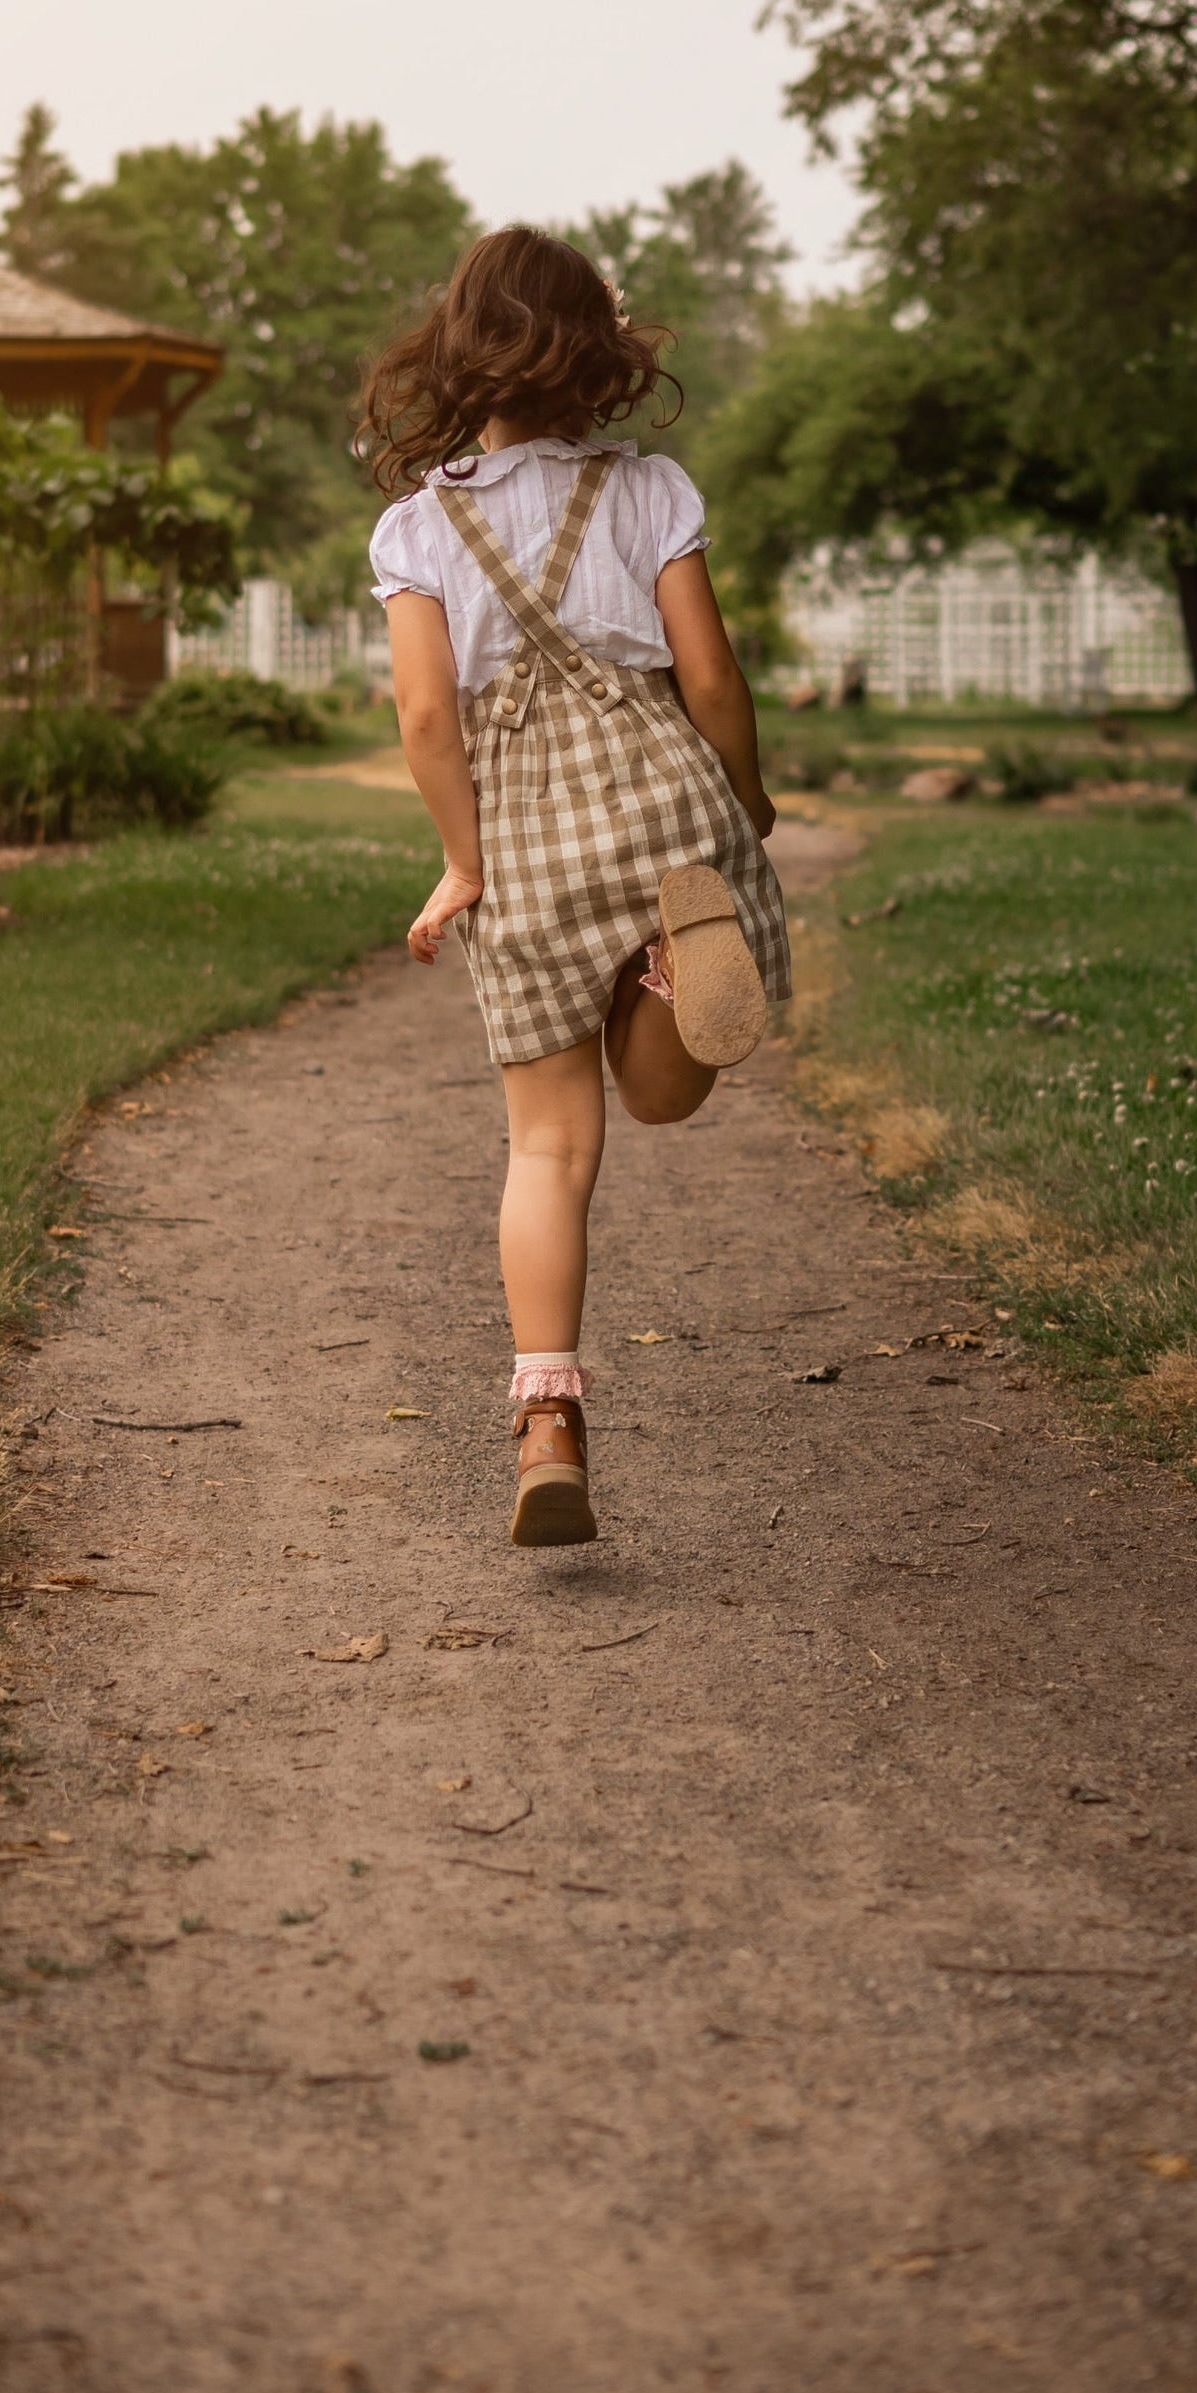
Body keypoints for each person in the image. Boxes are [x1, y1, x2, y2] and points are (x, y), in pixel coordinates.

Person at [362, 226, 789, 1548]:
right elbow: (709, 674)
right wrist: (748, 798)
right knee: (661, 1094)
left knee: (550, 1143)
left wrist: (462, 862)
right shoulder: (652, 489)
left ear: (458, 351)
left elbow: (428, 719)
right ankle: (673, 968)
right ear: (596, 350)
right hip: (661, 796)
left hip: (532, 834)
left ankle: (547, 1419)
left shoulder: (420, 522)